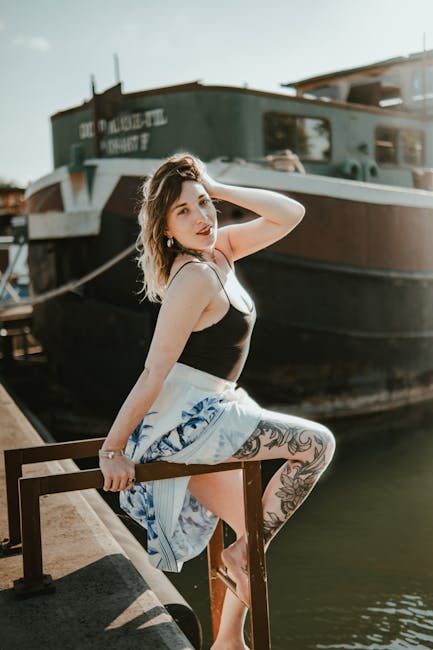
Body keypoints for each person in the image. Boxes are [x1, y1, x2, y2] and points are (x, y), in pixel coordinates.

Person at [98, 154, 336, 650]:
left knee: (255, 530)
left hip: (214, 410)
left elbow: (290, 213)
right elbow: (153, 372)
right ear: (165, 229)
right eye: (183, 211)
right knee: (317, 445)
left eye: (204, 203)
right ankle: (239, 568)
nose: (202, 217)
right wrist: (111, 449)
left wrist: (217, 185)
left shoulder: (221, 249)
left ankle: (228, 639)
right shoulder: (193, 278)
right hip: (187, 421)